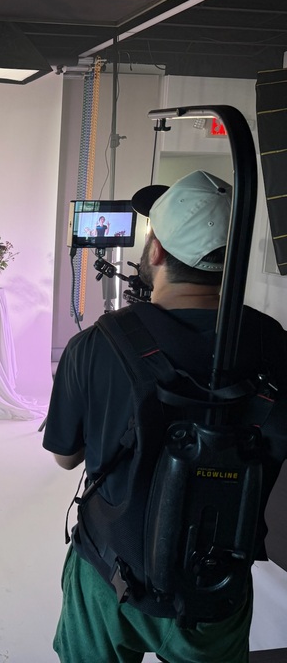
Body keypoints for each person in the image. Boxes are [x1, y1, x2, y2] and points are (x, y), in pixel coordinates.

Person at [42, 170, 287, 662]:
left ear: (154, 252)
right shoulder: (276, 344)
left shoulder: (94, 346)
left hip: (109, 575)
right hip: (215, 583)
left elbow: (66, 457)